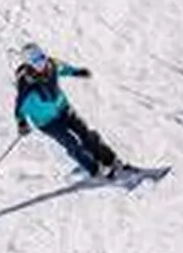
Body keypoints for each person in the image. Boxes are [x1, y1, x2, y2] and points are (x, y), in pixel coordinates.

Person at [13, 44, 125, 178]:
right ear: (29, 63)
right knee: (72, 143)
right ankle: (95, 169)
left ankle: (110, 160)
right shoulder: (26, 83)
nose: (41, 62)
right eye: (35, 60)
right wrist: (22, 123)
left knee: (86, 133)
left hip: (63, 108)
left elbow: (63, 68)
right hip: (46, 121)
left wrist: (77, 72)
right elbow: (19, 107)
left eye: (42, 57)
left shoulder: (51, 65)